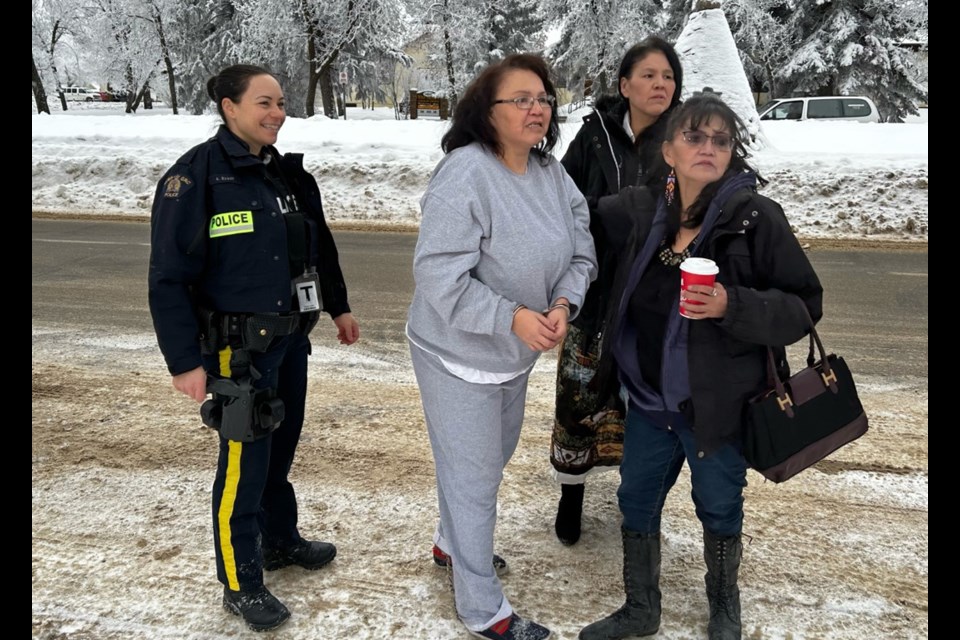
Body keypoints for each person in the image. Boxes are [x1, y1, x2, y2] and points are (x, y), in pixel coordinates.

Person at [578, 94, 823, 640]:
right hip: (647, 404)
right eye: (694, 136)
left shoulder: (756, 219)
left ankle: (723, 608)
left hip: (719, 408)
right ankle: (641, 608)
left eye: (720, 140)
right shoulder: (642, 212)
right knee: (635, 500)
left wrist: (729, 305)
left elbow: (805, 305)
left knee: (718, 506)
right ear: (668, 150)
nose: (707, 148)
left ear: (732, 151)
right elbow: (575, 211)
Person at [147, 64, 360, 632]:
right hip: (236, 352)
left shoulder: (286, 176)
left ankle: (279, 540)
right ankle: (240, 581)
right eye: (264, 103)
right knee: (243, 466)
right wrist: (184, 362)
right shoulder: (195, 179)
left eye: (282, 103)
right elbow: (169, 277)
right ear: (228, 106)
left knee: (279, 450)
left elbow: (321, 250)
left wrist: (337, 307)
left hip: (290, 340)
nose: (277, 114)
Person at [407, 53, 597, 640]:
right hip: (454, 353)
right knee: (475, 476)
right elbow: (440, 277)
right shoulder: (464, 173)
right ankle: (481, 608)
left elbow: (581, 245)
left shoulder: (550, 173)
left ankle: (449, 543)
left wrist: (563, 303)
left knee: (486, 459)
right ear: (485, 112)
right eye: (521, 98)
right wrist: (512, 316)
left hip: (513, 355)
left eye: (542, 98)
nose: (536, 107)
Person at [551, 36, 684, 546]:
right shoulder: (594, 136)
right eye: (648, 75)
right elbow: (563, 197)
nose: (660, 85)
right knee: (579, 396)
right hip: (596, 289)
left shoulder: (684, 137)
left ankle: (640, 507)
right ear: (625, 85)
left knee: (647, 403)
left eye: (668, 76)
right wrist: (600, 218)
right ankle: (572, 495)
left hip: (652, 298)